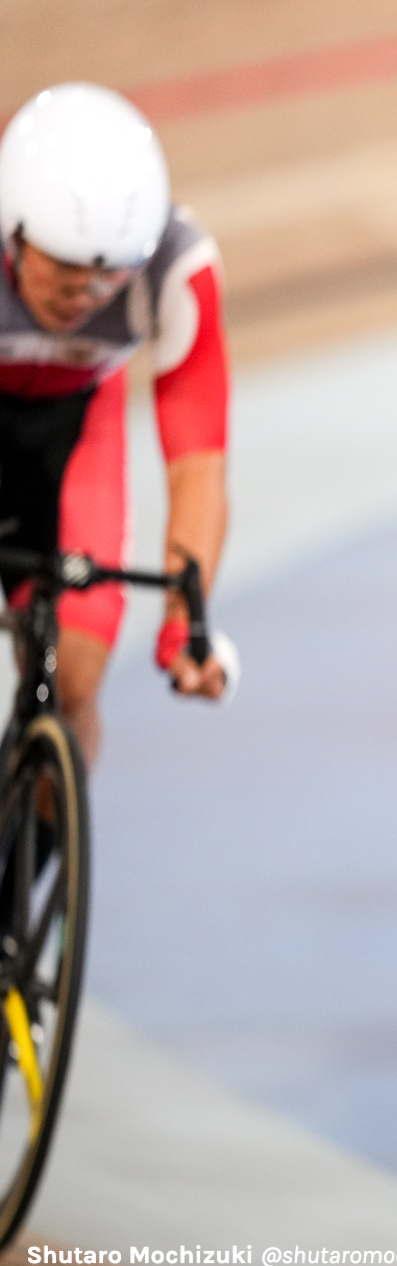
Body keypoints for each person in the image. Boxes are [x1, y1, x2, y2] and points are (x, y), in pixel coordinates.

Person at [0, 83, 234, 762]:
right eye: (66, 272)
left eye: (108, 281)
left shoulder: (177, 268)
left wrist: (184, 627)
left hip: (75, 436)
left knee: (73, 686)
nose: (86, 297)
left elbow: (198, 463)